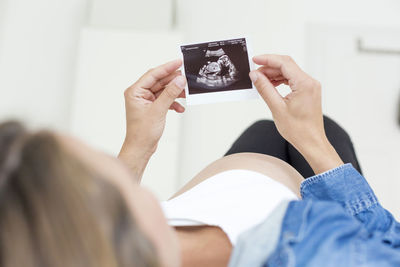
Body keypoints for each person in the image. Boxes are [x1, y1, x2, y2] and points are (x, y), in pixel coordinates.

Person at [0, 54, 398, 267]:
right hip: (301, 196)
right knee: (330, 131)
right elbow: (388, 247)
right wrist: (313, 142)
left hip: (244, 174)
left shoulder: (118, 244)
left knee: (268, 128)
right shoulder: (324, 254)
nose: (123, 175)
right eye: (109, 173)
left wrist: (139, 145)